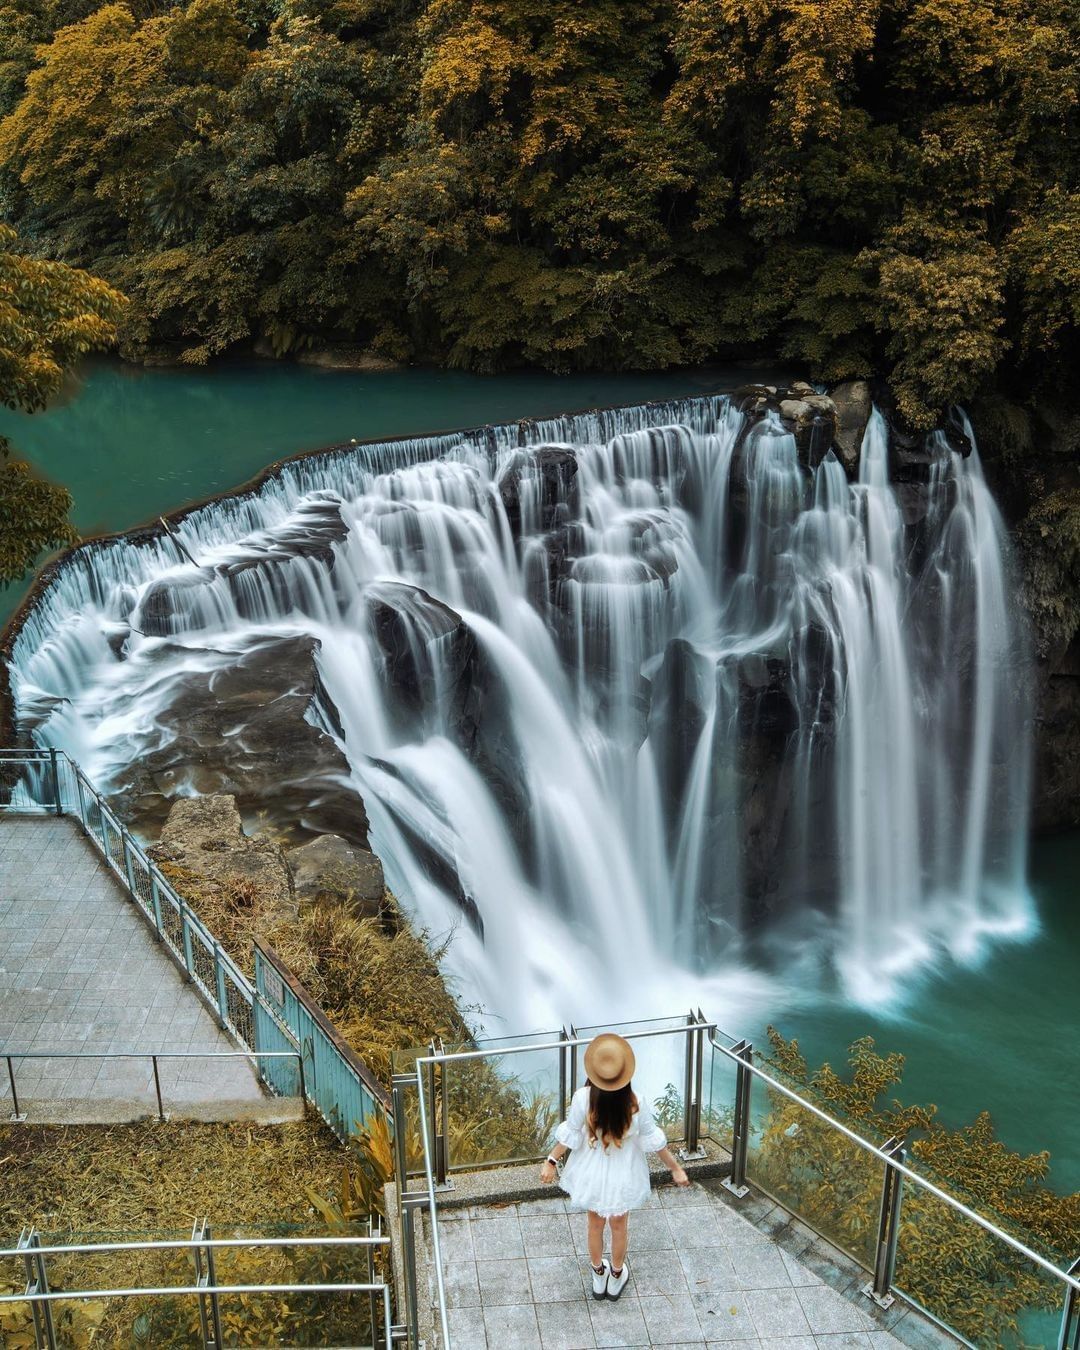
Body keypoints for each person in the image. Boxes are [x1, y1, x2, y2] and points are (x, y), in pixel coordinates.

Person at [539, 1032, 690, 1300]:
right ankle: (617, 1276)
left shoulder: (583, 1098)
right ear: (625, 1074)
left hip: (591, 1169)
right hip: (624, 1172)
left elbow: (572, 1134)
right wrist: (675, 1168)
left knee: (594, 1225)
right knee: (619, 1226)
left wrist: (551, 1160)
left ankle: (598, 1275)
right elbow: (654, 1143)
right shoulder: (636, 1104)